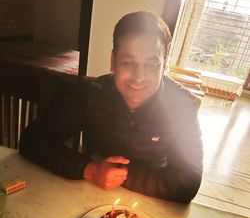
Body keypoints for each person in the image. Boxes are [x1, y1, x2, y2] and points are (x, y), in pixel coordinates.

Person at [19, 11, 203, 203]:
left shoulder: (181, 107)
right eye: (128, 62)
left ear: (164, 65)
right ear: (113, 62)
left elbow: (187, 182)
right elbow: (33, 140)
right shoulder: (92, 93)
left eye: (151, 64)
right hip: (91, 196)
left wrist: (119, 175)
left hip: (151, 202)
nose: (138, 77)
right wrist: (90, 170)